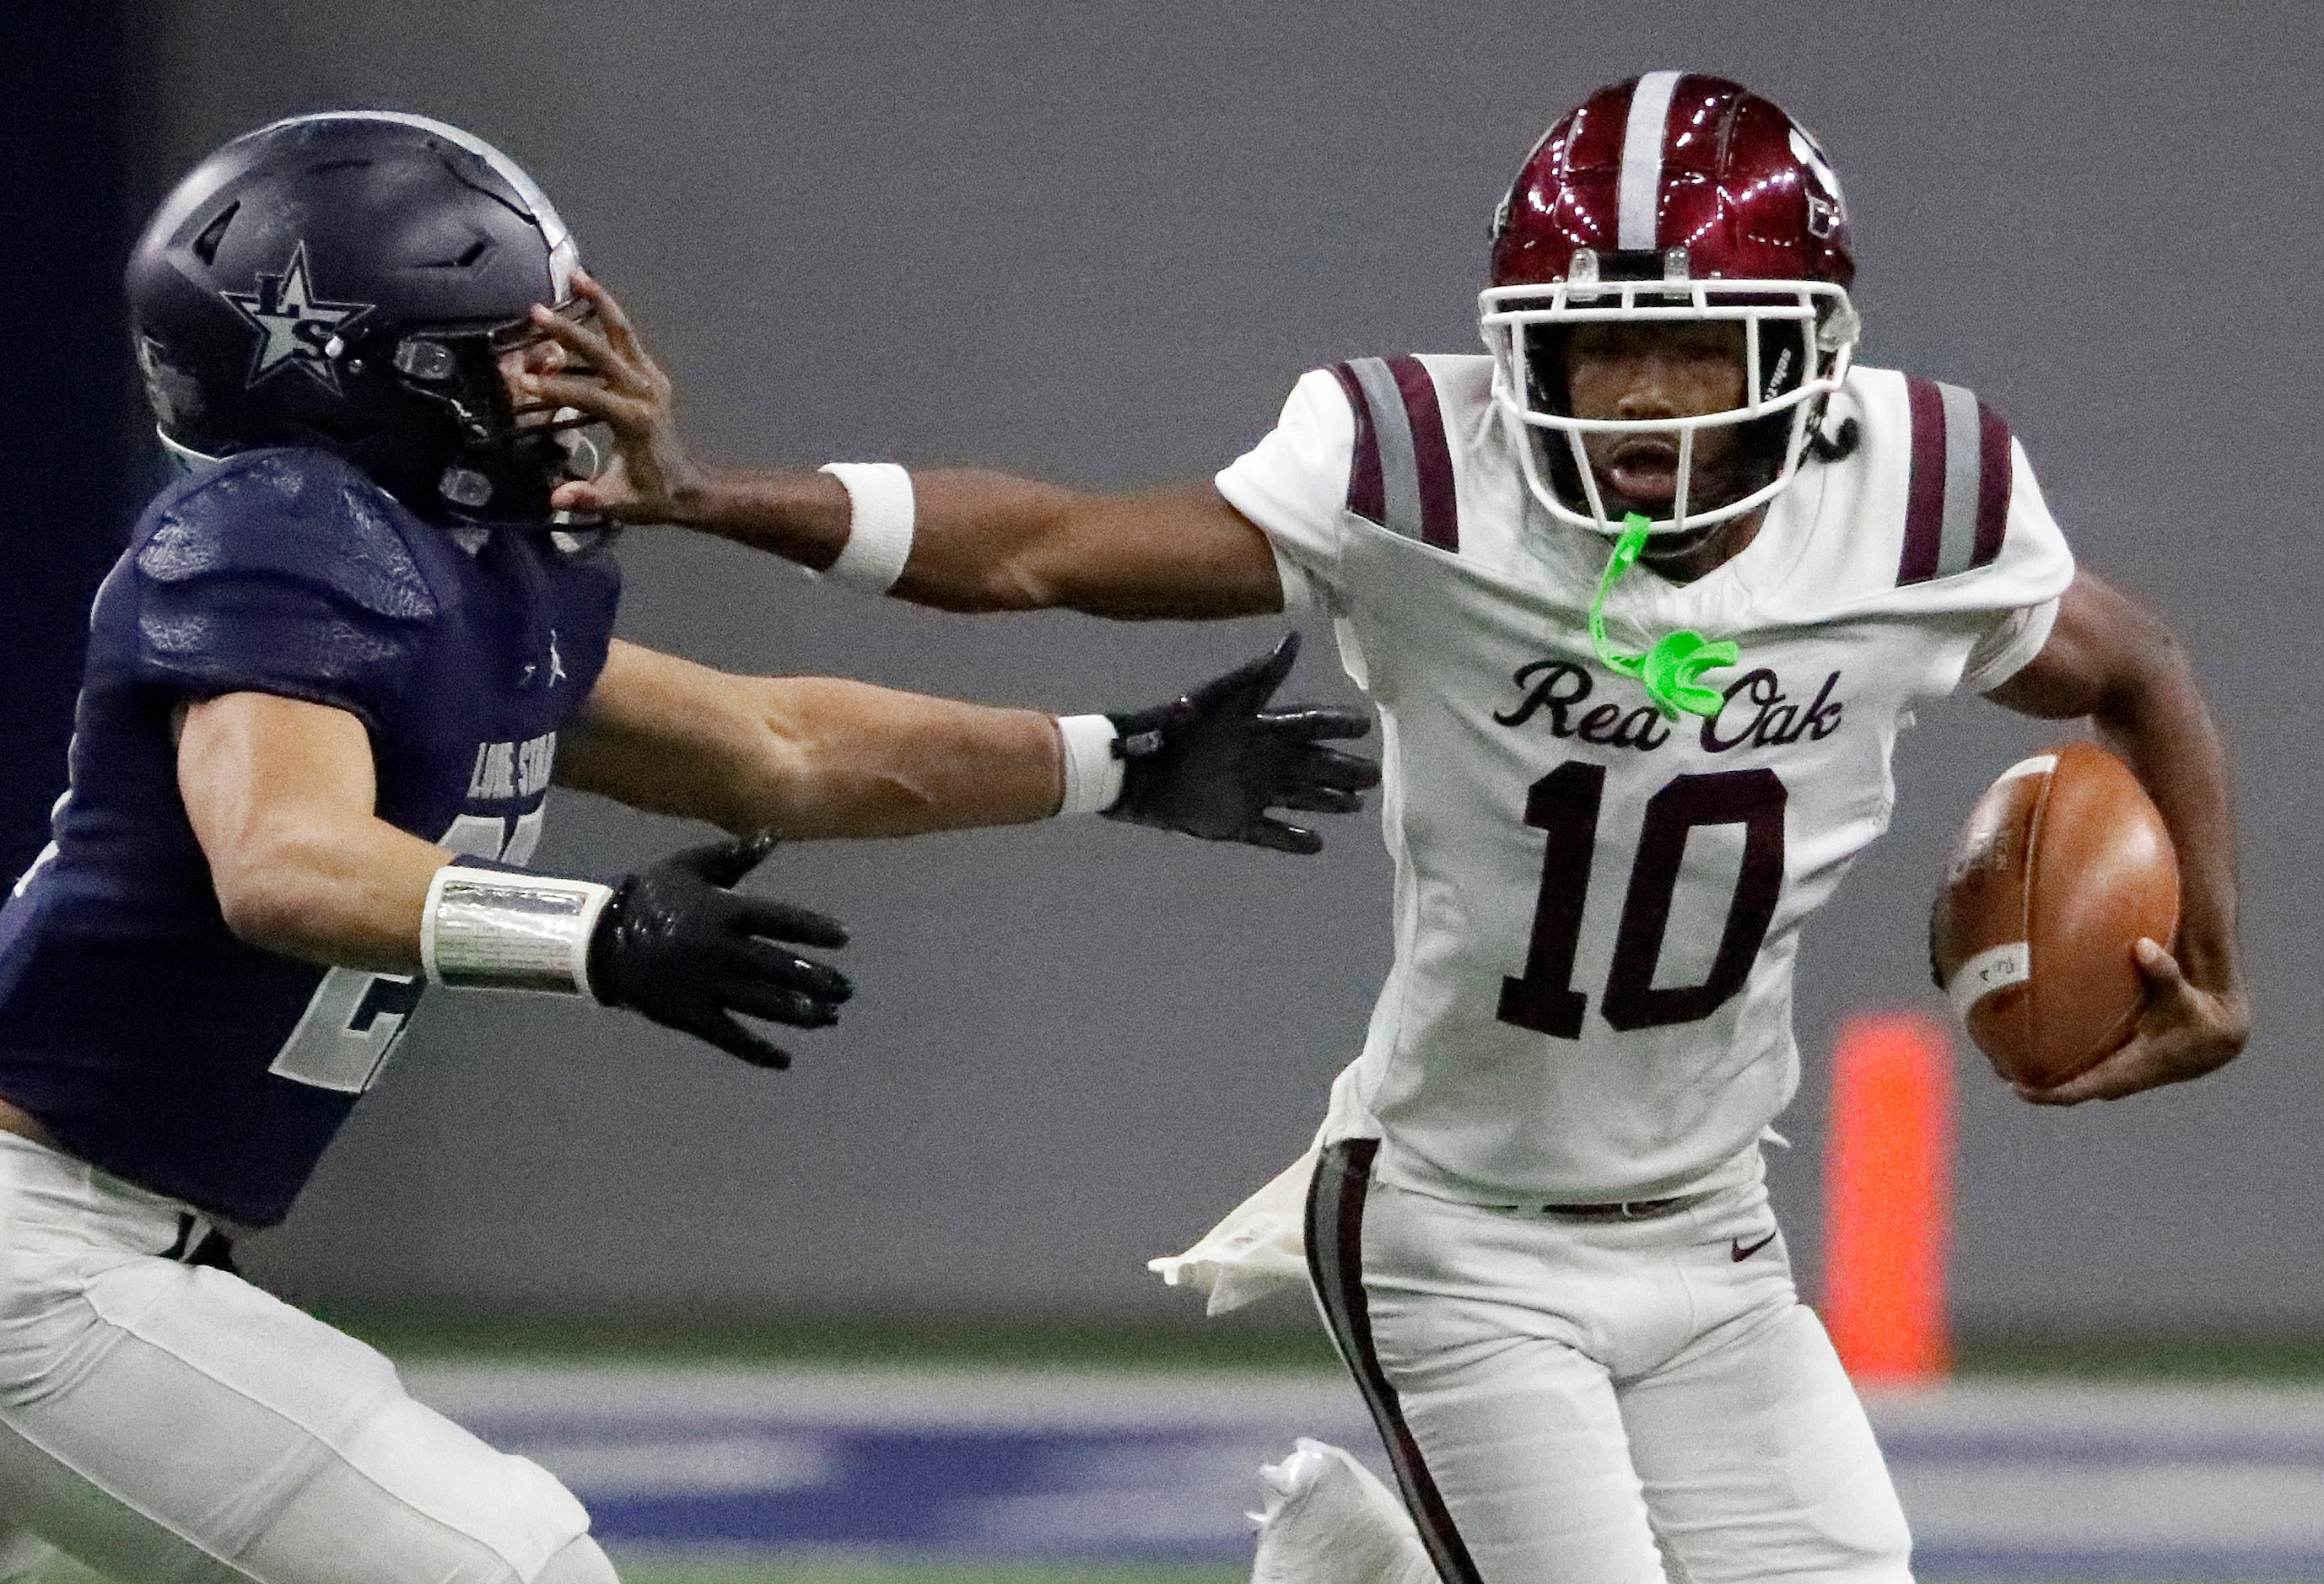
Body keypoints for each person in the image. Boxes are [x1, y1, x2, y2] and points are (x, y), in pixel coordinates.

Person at [530, 73, 2249, 1583]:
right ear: (1520, 350)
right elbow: (1045, 547)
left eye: (1691, 344)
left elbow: (2139, 665)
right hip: (1455, 1227)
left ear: (1805, 355)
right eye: (1600, 347)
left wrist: (2215, 972)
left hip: (1716, 1228)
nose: (1643, 403)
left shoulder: (1924, 498)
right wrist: (710, 497)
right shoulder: (1425, 476)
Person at [0, 111, 1378, 1584]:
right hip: (45, 1259)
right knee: (511, 1565)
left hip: (117, 1247)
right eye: (503, 346)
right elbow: (283, 860)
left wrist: (1113, 761)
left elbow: (774, 742)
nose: (565, 377)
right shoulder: (284, 530)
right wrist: (591, 934)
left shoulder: (459, 575)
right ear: (350, 371)